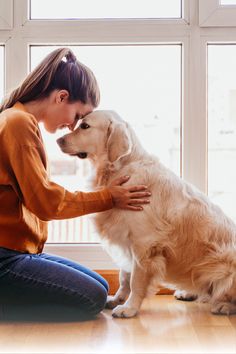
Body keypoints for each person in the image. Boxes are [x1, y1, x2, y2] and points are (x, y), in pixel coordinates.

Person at [0, 47, 151, 318]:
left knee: (102, 287)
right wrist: (109, 197)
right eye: (79, 116)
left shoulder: (19, 120)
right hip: (4, 258)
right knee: (91, 298)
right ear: (61, 97)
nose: (72, 127)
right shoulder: (18, 124)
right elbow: (45, 202)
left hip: (17, 252)